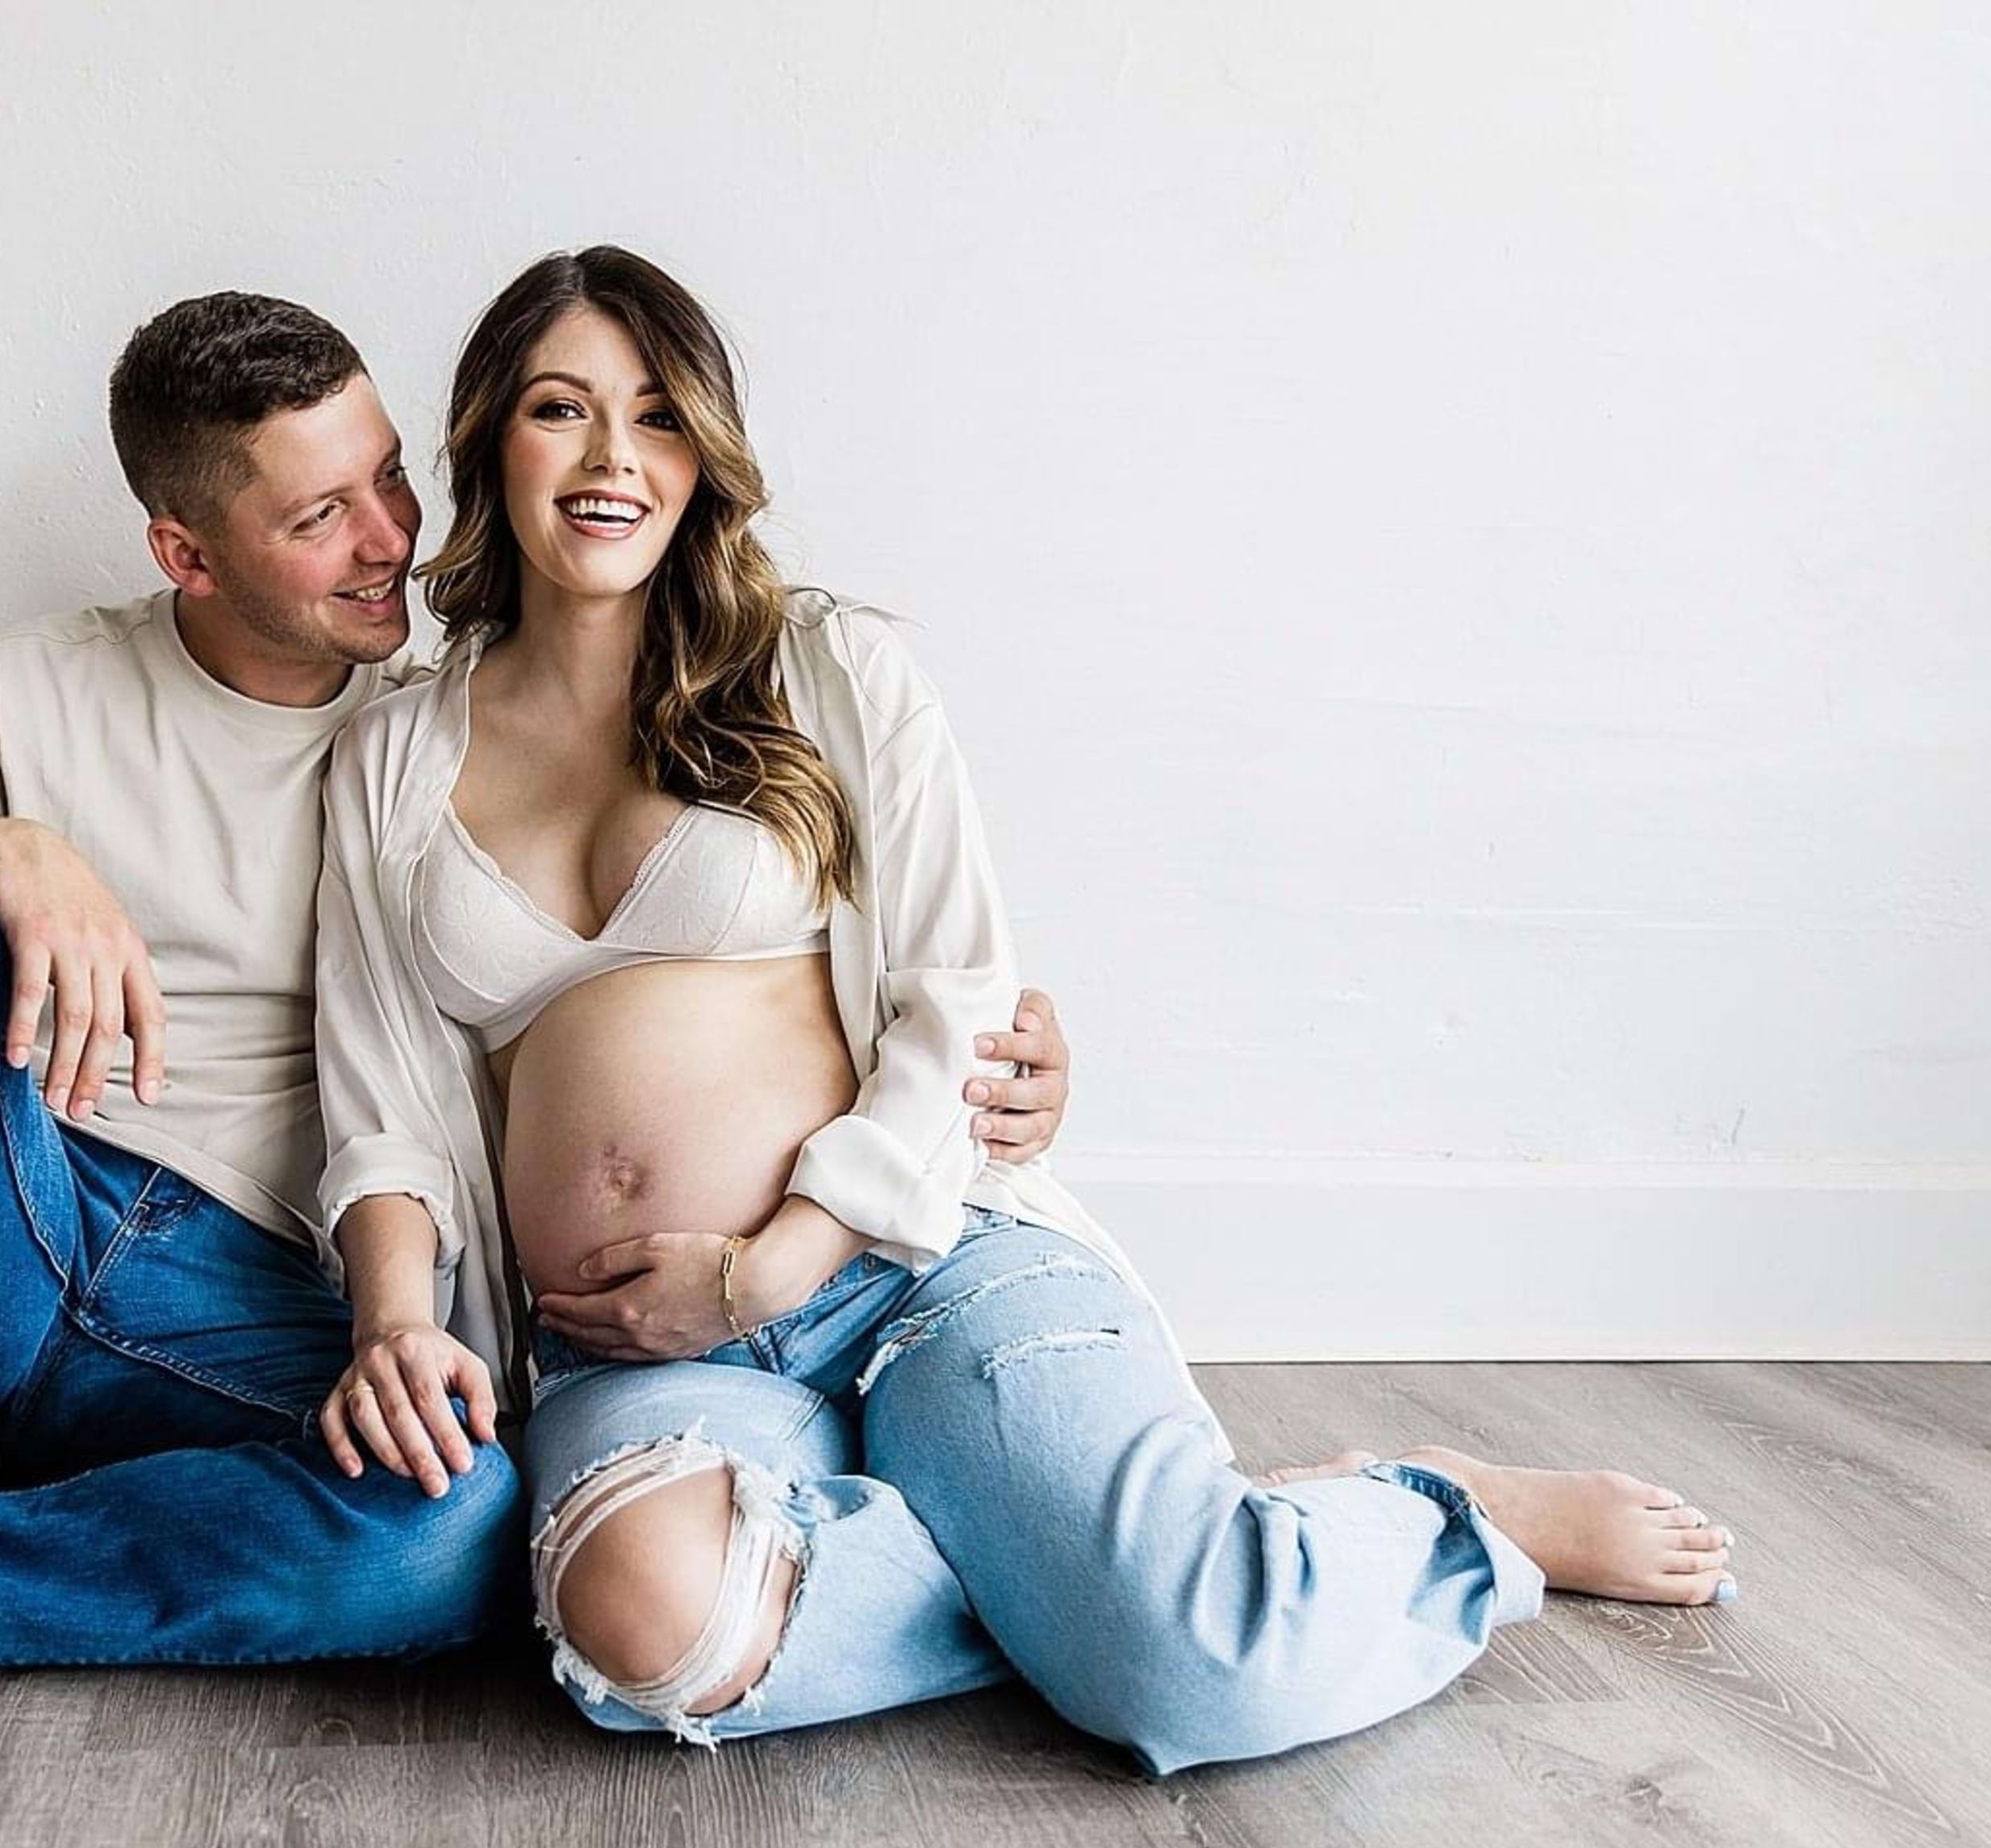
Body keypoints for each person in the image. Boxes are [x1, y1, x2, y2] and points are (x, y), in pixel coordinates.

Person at [0, 290, 1081, 1848]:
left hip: (264, 1298)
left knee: (462, 1527)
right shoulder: (24, 685)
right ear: (186, 548)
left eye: (390, 479)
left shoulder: (479, 705)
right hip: (0, 1226)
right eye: (318, 517)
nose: (388, 541)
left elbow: (748, 939)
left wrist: (994, 1066)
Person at [311, 245, 1736, 1762]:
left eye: (658, 417)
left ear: (704, 456)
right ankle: (1167, 1553)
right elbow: (384, 1097)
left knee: (1197, 1677)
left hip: (913, 1267)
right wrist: (397, 1316)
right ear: (487, 440)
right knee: (654, 1636)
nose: (612, 460)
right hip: (636, 1347)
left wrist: (770, 1266)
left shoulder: (827, 669)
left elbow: (956, 1001)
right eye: (560, 409)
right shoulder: (395, 754)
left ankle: (1417, 1515)